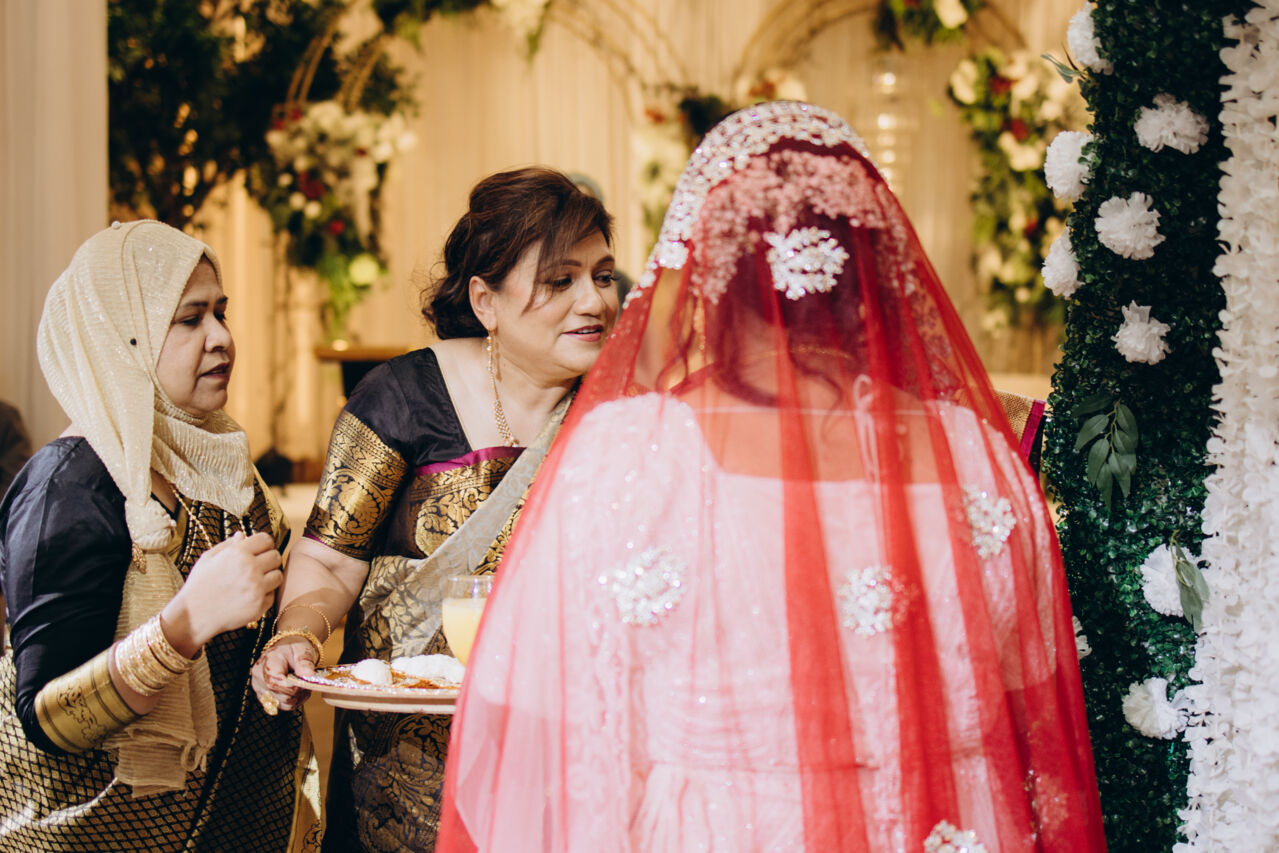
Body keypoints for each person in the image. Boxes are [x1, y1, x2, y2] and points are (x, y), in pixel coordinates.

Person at [437, 102, 1106, 851]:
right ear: (877, 274)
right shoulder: (975, 455)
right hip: (950, 824)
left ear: (710, 280)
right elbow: (1029, 696)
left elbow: (538, 719)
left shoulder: (629, 454)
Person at [251, 167, 620, 851]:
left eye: (602, 275)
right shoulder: (403, 397)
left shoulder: (624, 412)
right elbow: (330, 561)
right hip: (406, 769)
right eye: (560, 280)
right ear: (485, 299)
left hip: (565, 748)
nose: (594, 300)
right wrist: (298, 632)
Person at [0, 220, 319, 850]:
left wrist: (280, 654)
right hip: (97, 832)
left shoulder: (218, 460)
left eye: (221, 313)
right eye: (190, 319)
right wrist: (185, 623)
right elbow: (47, 719)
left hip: (228, 818)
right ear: (122, 338)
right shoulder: (71, 484)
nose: (221, 338)